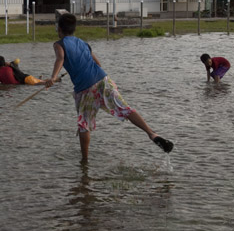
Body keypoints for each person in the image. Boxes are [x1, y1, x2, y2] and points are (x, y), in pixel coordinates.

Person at [44, 14, 173, 161]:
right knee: (125, 108)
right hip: (103, 80)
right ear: (74, 29)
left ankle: (84, 162)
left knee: (84, 124)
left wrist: (53, 77)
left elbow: (60, 58)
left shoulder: (59, 44)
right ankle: (151, 133)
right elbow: (97, 63)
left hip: (85, 88)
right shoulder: (83, 43)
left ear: (59, 28)